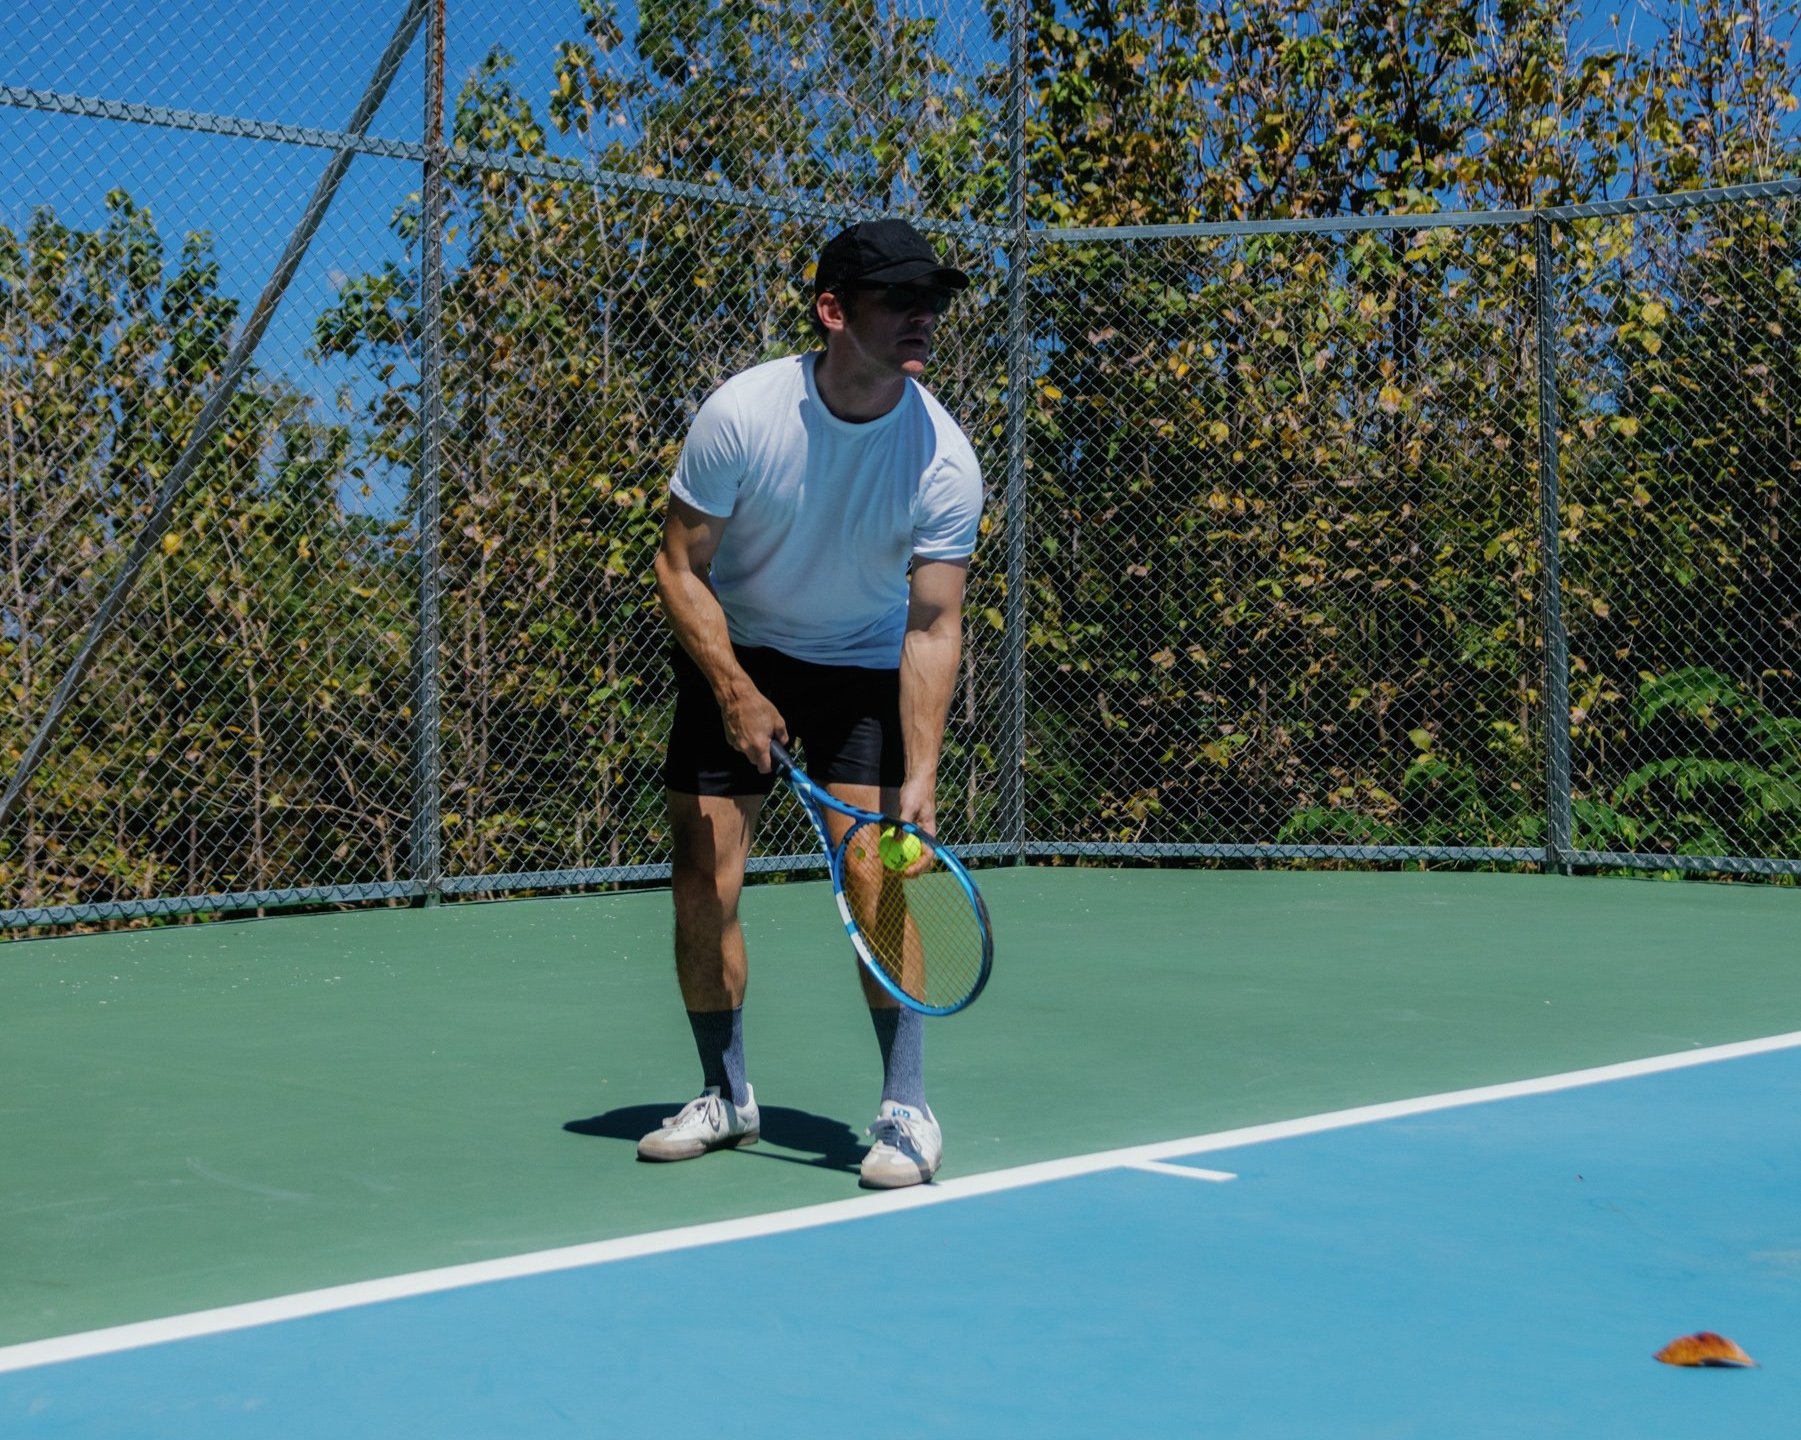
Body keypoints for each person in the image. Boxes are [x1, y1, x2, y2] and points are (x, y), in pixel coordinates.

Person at [641, 217, 983, 1189]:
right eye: (899, 300)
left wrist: (920, 775)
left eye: (934, 301)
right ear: (833, 311)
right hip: (737, 650)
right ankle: (725, 1093)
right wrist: (736, 690)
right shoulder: (743, 415)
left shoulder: (943, 459)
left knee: (878, 874)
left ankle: (906, 1109)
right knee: (703, 875)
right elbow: (678, 566)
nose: (924, 317)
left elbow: (931, 625)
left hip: (861, 665)